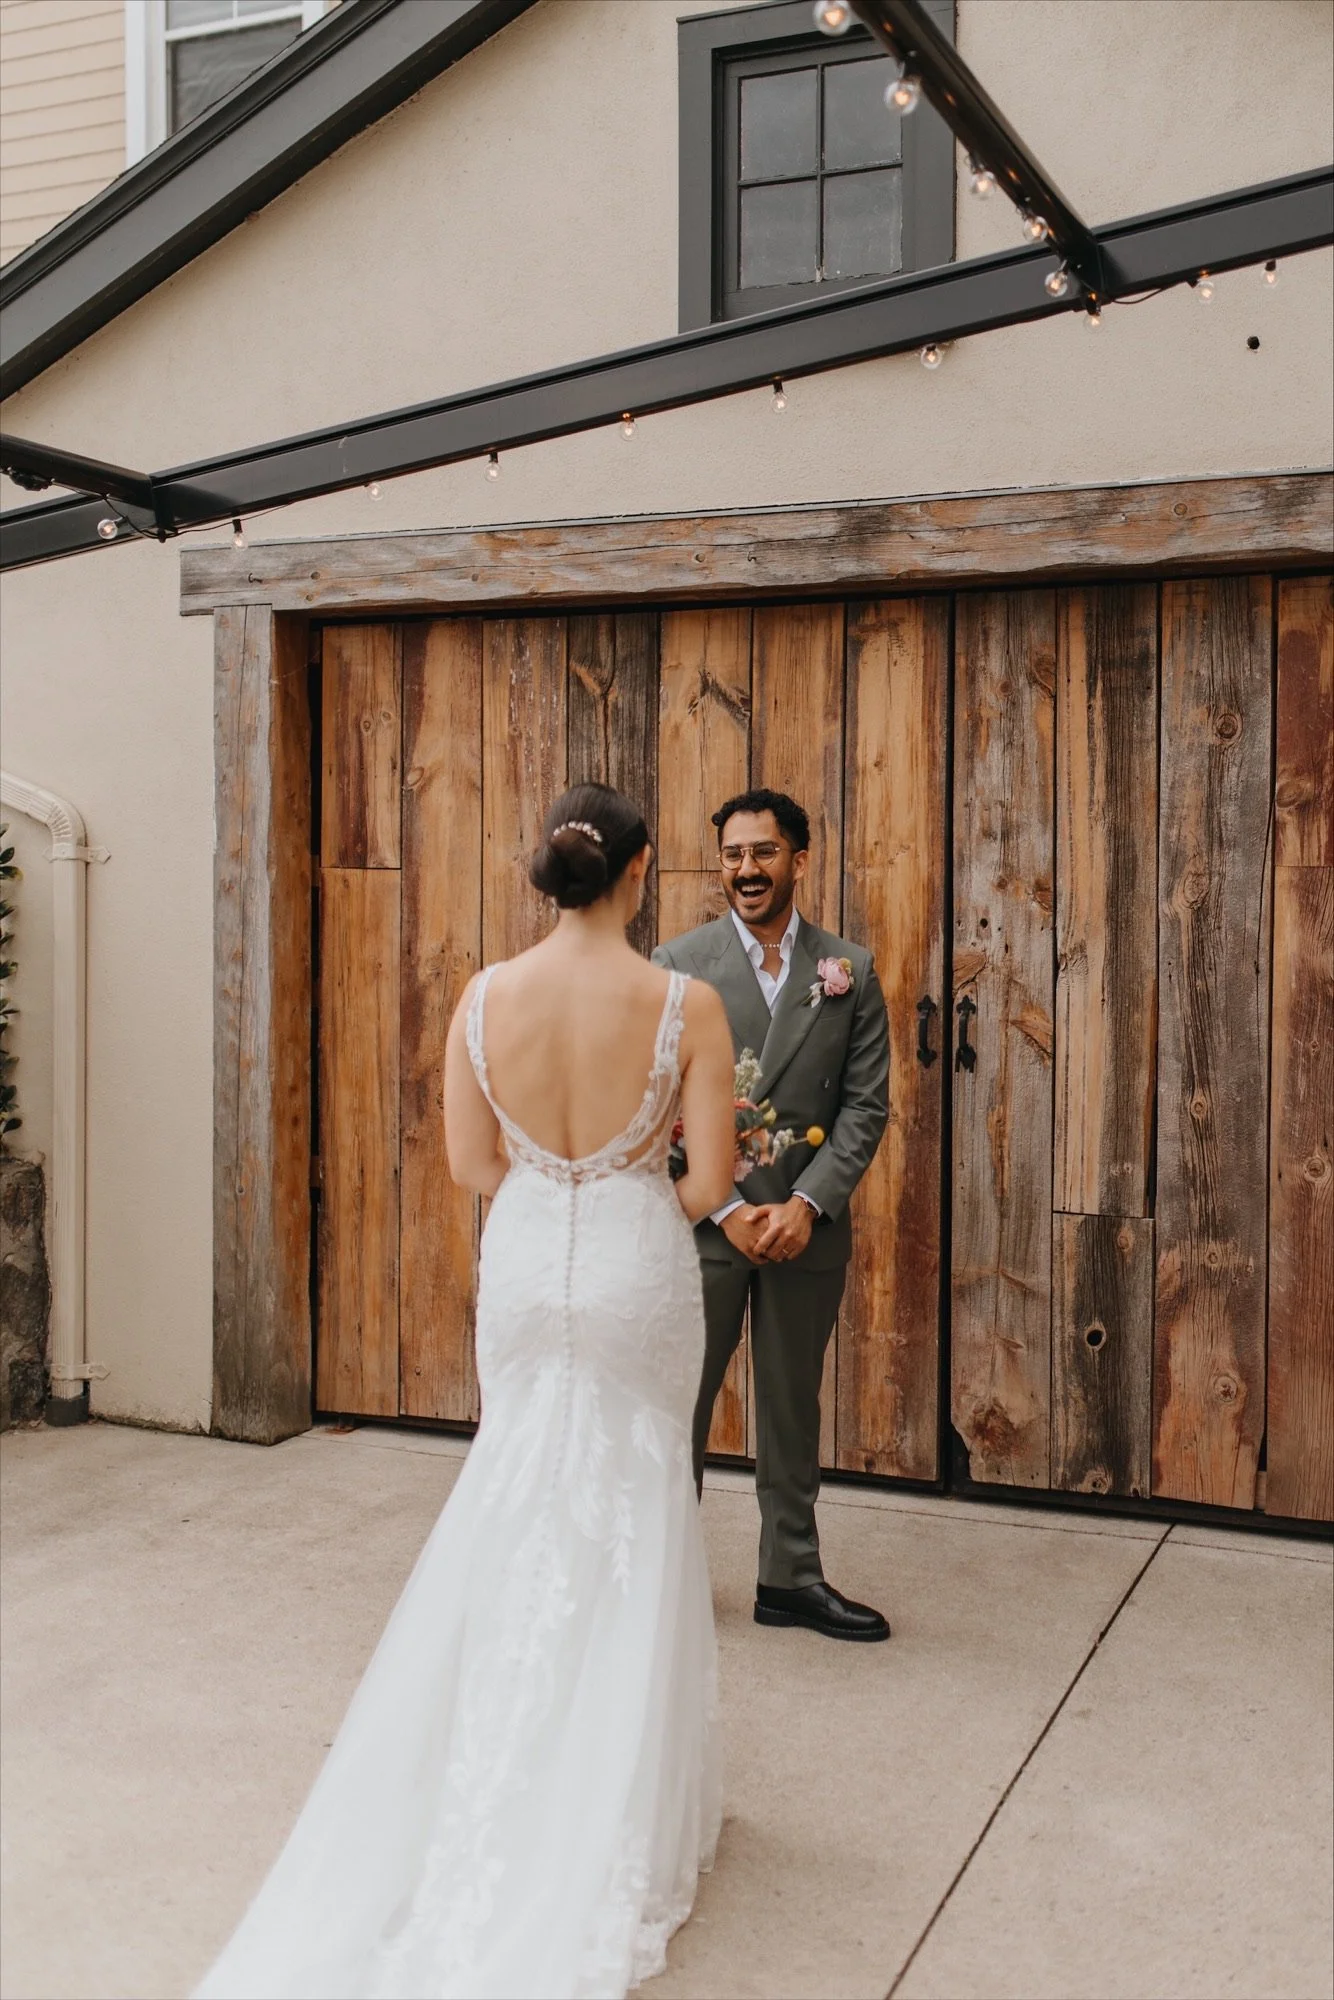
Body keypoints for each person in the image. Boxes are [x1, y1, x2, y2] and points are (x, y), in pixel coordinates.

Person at [195, 783, 737, 2000]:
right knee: (635, 1507)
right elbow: (706, 1181)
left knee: (516, 1492)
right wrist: (632, 1193)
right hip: (632, 1267)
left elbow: (472, 1164)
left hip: (525, 1265)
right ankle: (614, 1806)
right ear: (641, 871)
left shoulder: (483, 998)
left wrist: (559, 1187)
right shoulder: (685, 1002)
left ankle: (482, 1759)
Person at [653, 789, 891, 1643]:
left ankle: (789, 1577)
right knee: (679, 1406)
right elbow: (658, 1109)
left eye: (763, 852)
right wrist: (726, 1209)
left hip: (803, 1231)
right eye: (732, 855)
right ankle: (660, 1585)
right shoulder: (675, 964)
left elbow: (865, 1108)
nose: (745, 870)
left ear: (799, 857)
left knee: (792, 1407)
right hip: (710, 1232)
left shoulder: (849, 971)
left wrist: (804, 1203)